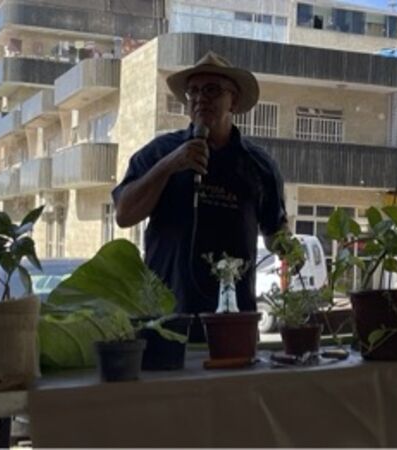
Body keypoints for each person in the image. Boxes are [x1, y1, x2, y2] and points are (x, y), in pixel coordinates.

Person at [112, 51, 289, 341]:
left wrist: (289, 246)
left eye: (212, 90)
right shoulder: (159, 153)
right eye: (193, 91)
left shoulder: (259, 165)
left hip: (232, 323)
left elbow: (275, 233)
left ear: (234, 101)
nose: (199, 98)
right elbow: (124, 215)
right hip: (165, 322)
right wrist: (170, 165)